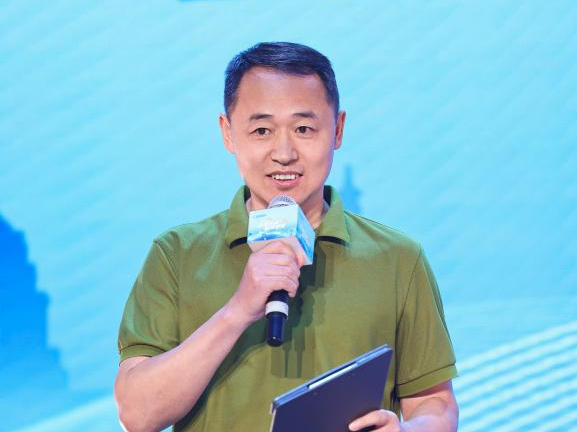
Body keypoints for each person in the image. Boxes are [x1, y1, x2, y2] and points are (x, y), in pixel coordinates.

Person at [115, 42, 459, 432]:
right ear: (228, 133)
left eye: (303, 129)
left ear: (338, 129)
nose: (283, 153)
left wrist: (408, 430)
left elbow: (435, 404)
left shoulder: (397, 258)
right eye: (262, 130)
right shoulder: (176, 255)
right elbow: (137, 415)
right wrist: (237, 311)